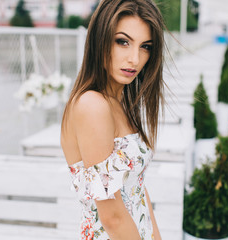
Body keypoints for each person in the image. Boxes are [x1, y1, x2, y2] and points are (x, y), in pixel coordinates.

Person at [61, 0, 165, 239]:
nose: (135, 59)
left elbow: (136, 187)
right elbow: (112, 218)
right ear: (100, 39)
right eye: (123, 42)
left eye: (145, 46)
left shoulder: (120, 103)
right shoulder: (92, 106)